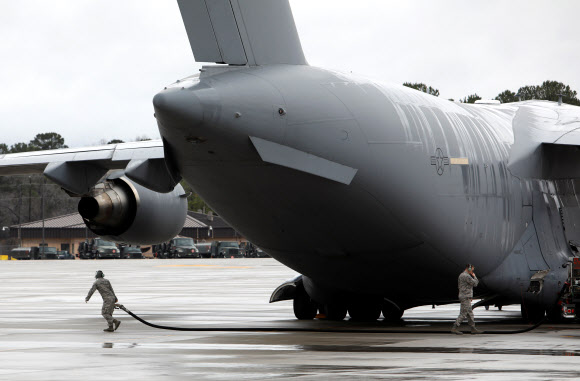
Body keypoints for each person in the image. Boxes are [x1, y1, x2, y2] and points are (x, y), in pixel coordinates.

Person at [451, 264, 482, 335]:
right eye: (472, 269)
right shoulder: (466, 276)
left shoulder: (461, 275)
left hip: (465, 296)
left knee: (469, 313)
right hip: (465, 296)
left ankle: (473, 328)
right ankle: (454, 327)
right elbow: (475, 283)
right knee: (463, 313)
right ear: (469, 268)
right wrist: (474, 276)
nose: (472, 270)